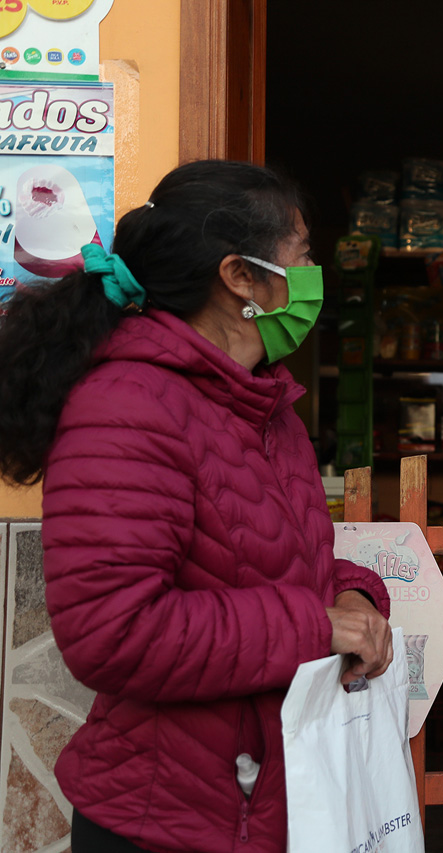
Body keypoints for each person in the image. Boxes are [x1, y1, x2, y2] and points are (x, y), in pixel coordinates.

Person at [0, 161, 394, 853]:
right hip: (169, 824)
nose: (314, 275)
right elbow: (113, 631)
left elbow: (275, 560)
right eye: (302, 255)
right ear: (240, 276)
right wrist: (316, 625)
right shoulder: (127, 406)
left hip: (258, 807)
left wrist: (355, 597)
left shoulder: (264, 404)